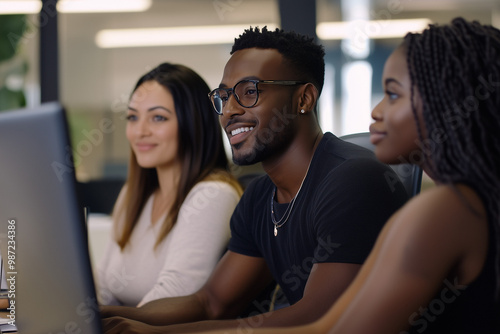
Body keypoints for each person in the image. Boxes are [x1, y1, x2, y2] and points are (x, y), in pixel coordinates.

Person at [100, 27, 408, 333]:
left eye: (249, 92)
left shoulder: (352, 180)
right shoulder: (260, 196)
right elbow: (212, 301)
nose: (229, 111)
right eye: (223, 96)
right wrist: (105, 315)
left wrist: (157, 333)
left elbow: (318, 317)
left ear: (304, 98)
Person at [219, 17, 500, 334]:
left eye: (392, 95)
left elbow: (331, 329)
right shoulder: (470, 202)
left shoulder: (445, 209)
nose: (376, 111)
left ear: (445, 102)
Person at [97, 63, 243, 307]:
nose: (139, 131)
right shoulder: (133, 194)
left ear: (192, 124)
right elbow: (104, 287)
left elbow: (174, 295)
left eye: (158, 118)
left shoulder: (212, 195)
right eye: (133, 117)